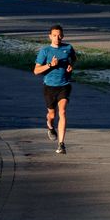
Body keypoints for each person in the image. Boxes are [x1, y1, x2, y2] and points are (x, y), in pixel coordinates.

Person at [34, 25, 76, 154]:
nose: (57, 38)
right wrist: (50, 65)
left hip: (64, 85)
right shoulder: (45, 51)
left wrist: (70, 67)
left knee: (62, 112)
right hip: (49, 87)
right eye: (54, 35)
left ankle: (61, 144)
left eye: (59, 35)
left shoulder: (68, 48)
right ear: (50, 36)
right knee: (52, 115)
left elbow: (73, 60)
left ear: (62, 36)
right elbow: (36, 71)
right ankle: (50, 126)